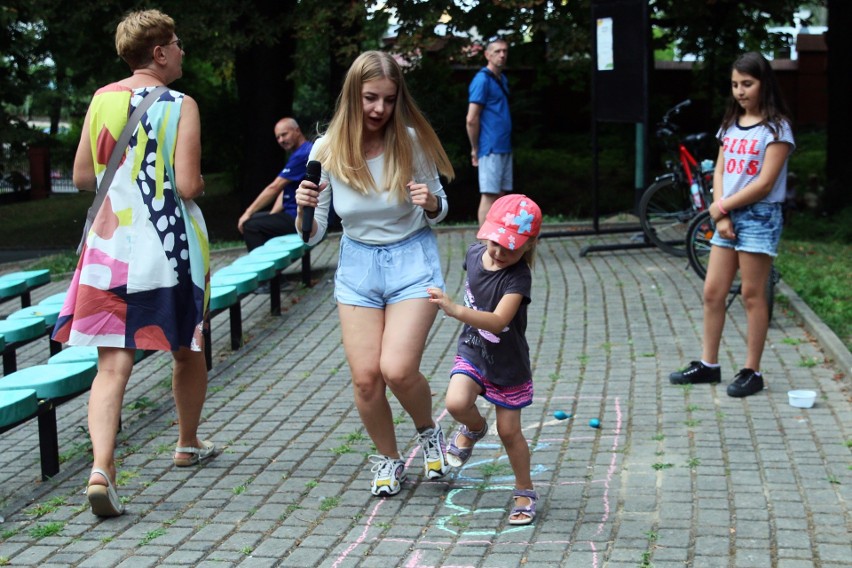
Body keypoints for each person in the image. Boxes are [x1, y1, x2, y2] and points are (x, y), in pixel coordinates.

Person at [52, 9, 215, 517]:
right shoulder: (180, 104)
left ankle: (102, 467)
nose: (182, 50)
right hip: (167, 250)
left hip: (108, 250)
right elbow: (187, 185)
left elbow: (82, 175)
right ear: (160, 53)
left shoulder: (101, 99)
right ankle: (187, 443)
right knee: (187, 345)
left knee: (111, 364)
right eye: (177, 43)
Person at [295, 50, 455, 497]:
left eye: (387, 99)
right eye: (370, 98)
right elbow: (312, 237)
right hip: (359, 264)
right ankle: (388, 457)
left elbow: (441, 207)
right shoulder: (326, 150)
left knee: (398, 369)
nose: (379, 109)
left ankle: (428, 433)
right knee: (366, 377)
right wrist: (303, 212)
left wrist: (430, 203)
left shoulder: (410, 141)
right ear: (353, 95)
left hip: (411, 260)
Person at [670, 52, 795, 398]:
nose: (740, 91)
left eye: (747, 84)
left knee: (753, 295)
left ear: (764, 84)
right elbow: (722, 170)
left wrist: (720, 206)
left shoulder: (777, 128)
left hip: (759, 217)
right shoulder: (731, 123)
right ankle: (708, 365)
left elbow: (765, 183)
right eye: (735, 84)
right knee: (713, 292)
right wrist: (721, 215)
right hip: (727, 216)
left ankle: (752, 371)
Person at [426, 193, 542, 526]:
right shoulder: (475, 254)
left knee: (509, 433)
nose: (499, 252)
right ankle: (474, 428)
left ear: (529, 245)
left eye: (511, 247)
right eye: (495, 243)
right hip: (474, 349)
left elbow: (498, 321)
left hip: (508, 364)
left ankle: (524, 490)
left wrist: (454, 309)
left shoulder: (518, 278)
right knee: (457, 401)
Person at [237, 117, 313, 251]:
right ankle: (273, 266)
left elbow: (275, 187)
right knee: (258, 219)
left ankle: (263, 269)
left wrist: (247, 212)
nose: (281, 140)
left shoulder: (303, 155)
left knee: (250, 225)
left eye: (284, 134)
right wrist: (273, 213)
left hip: (301, 217)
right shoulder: (301, 152)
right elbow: (284, 188)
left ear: (297, 130)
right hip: (296, 213)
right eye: (278, 137)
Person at [466, 37, 512, 226]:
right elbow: (471, 118)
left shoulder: (502, 79)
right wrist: (475, 148)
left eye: (505, 51)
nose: (502, 55)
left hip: (504, 145)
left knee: (501, 195)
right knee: (489, 194)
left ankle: (499, 240)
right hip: (490, 147)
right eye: (497, 51)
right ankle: (484, 244)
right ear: (487, 55)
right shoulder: (482, 80)